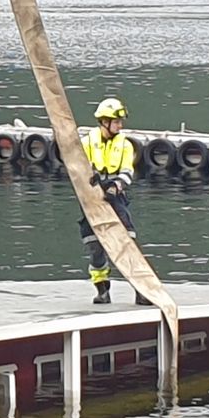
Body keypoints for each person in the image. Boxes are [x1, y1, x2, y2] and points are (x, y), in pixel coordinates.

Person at [80, 97, 141, 305]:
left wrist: (116, 187)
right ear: (105, 121)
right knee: (95, 245)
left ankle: (141, 289)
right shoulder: (87, 142)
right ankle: (102, 289)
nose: (120, 126)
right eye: (117, 122)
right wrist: (93, 183)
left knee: (127, 241)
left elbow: (127, 171)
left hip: (116, 197)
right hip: (92, 199)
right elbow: (79, 168)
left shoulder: (125, 145)